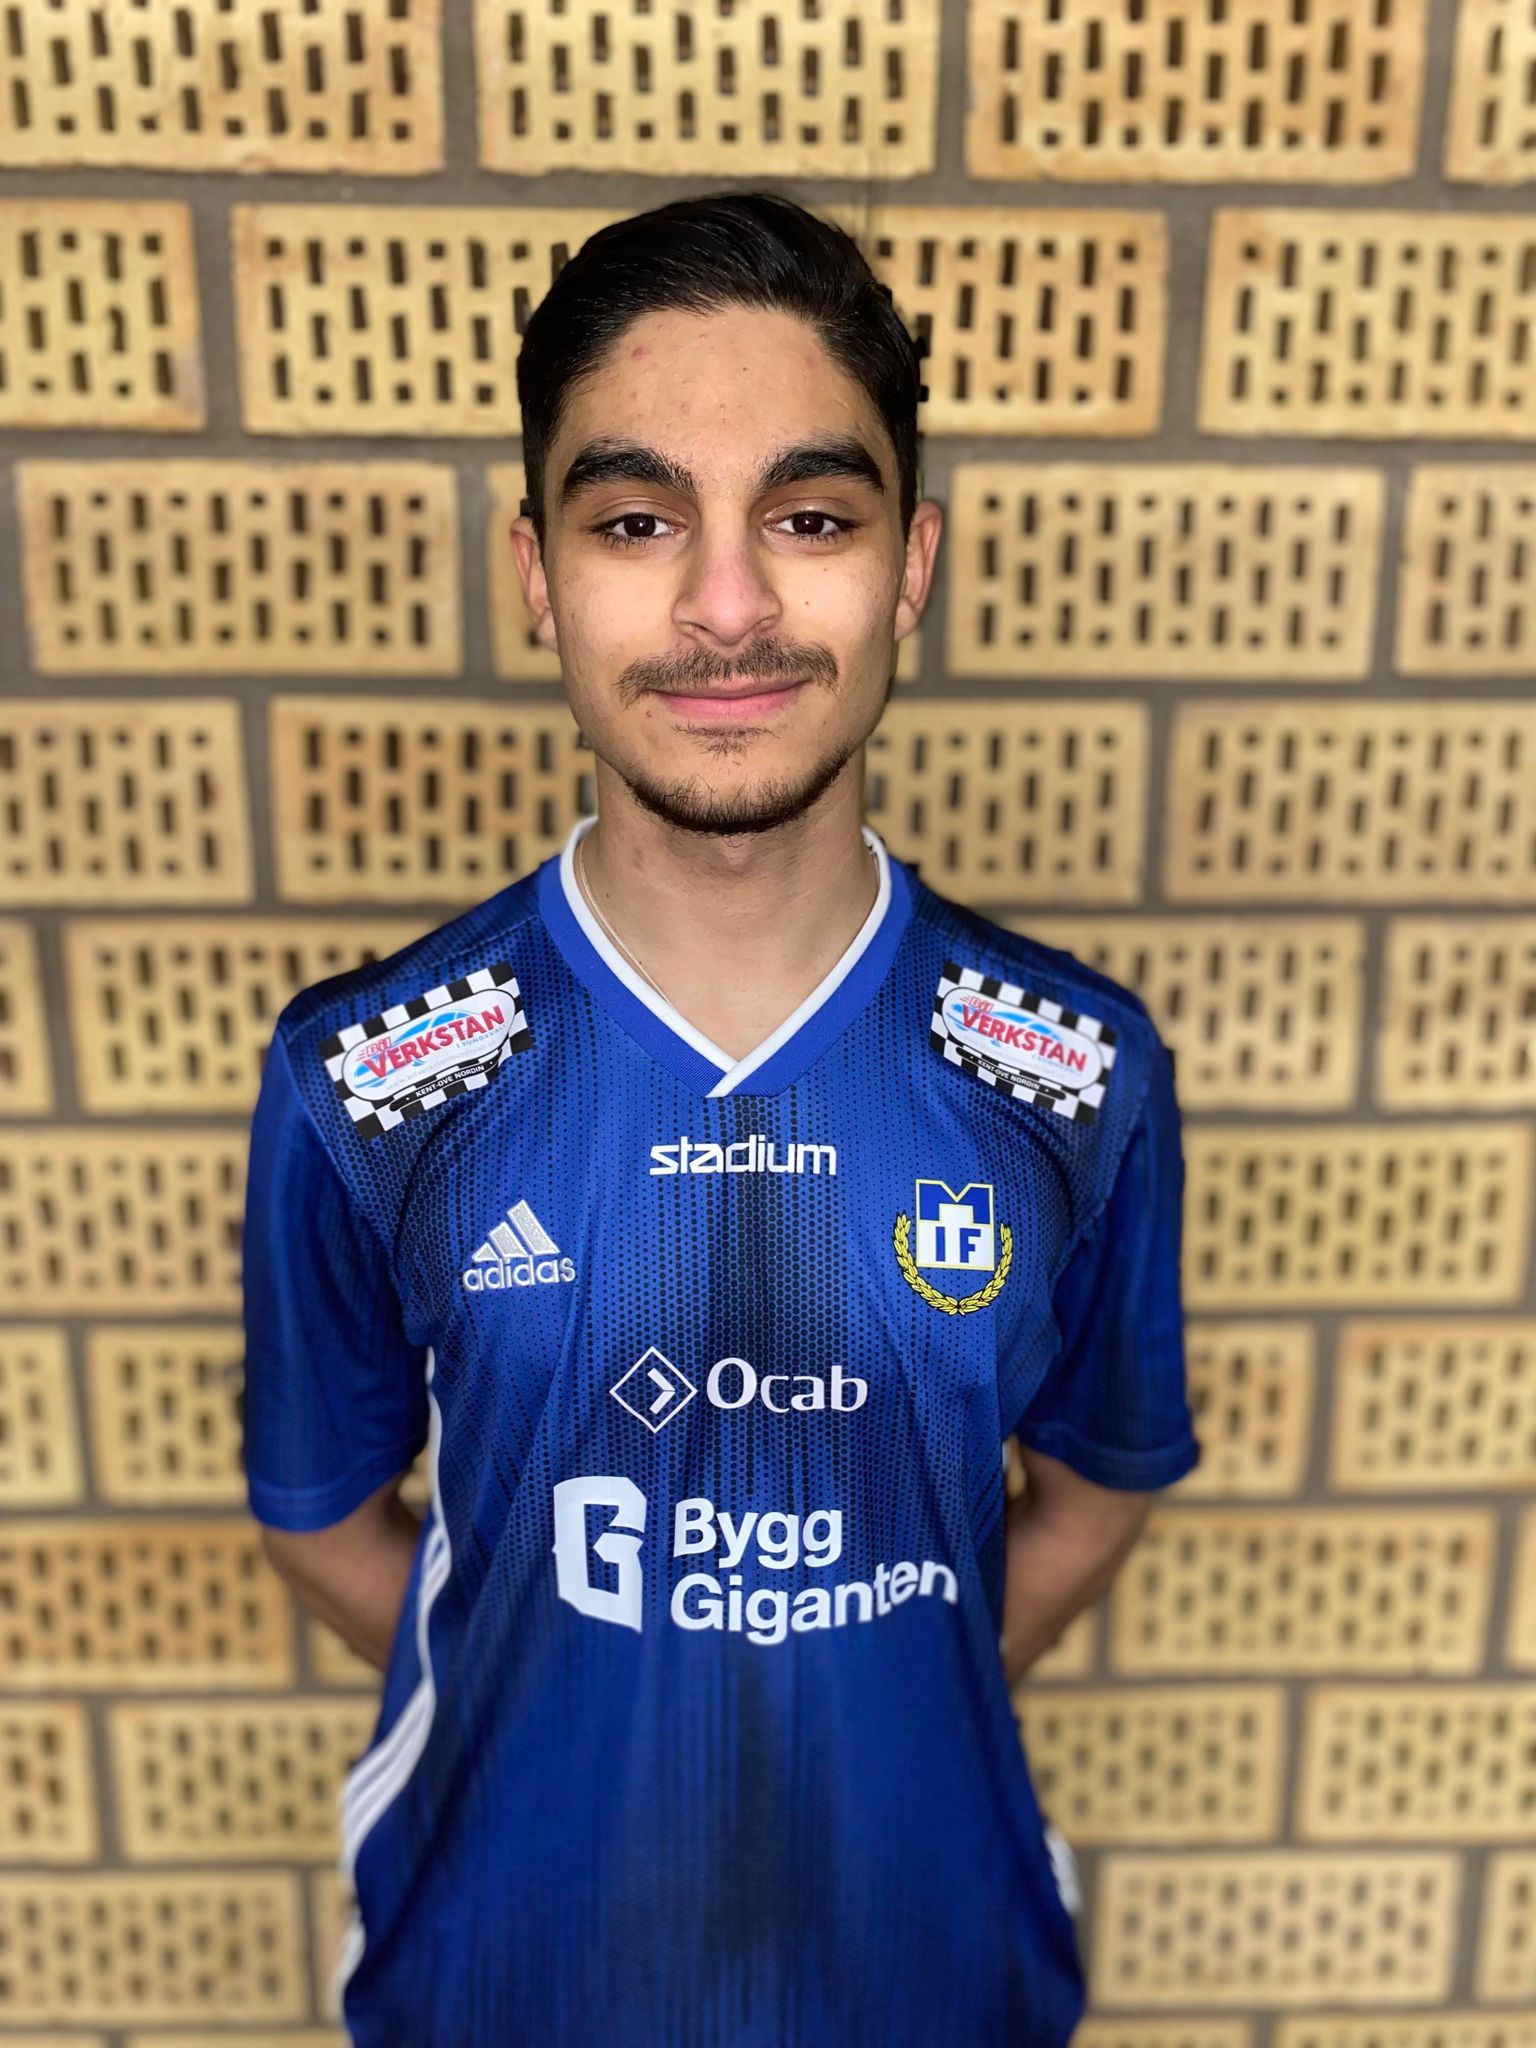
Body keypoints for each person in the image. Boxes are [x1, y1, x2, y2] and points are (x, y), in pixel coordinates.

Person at [241, 188, 1201, 2048]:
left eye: (812, 518)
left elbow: (1092, 1500)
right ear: (538, 571)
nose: (731, 605)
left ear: (912, 564)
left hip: (935, 1983)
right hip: (507, 1986)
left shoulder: (1077, 1070)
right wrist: (595, 1688)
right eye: (636, 521)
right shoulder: (366, 1077)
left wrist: (850, 1691)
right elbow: (322, 1522)